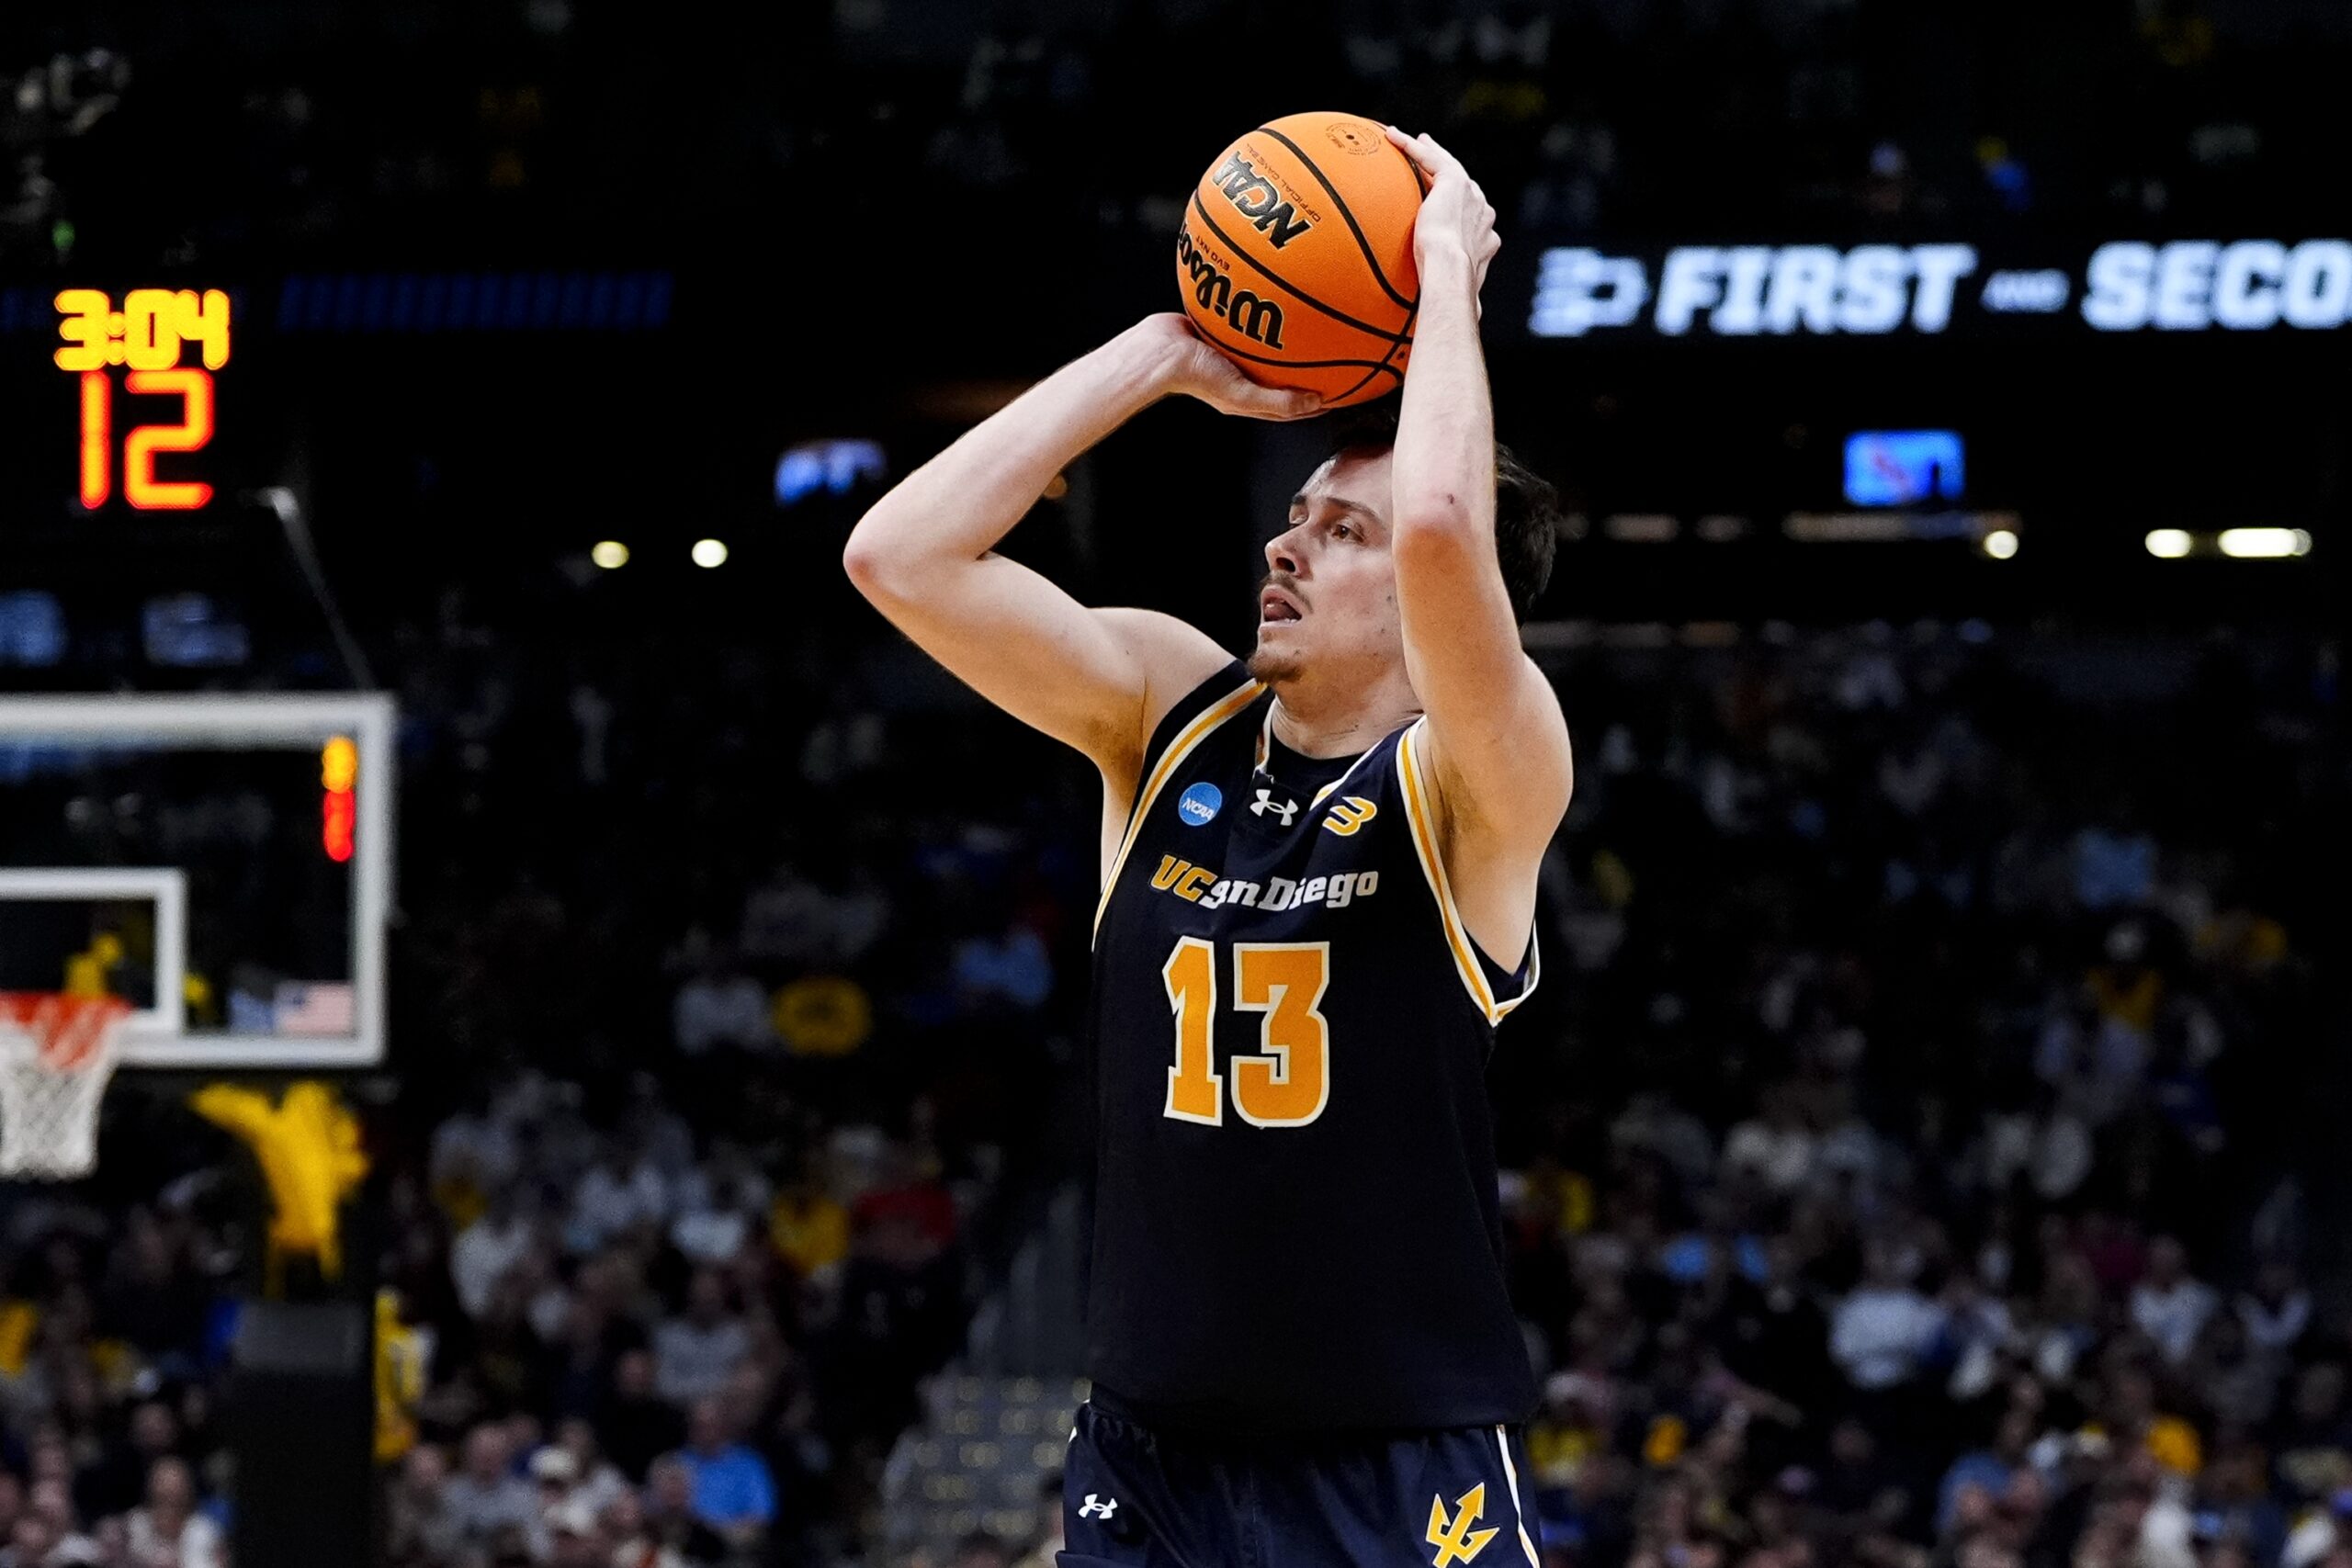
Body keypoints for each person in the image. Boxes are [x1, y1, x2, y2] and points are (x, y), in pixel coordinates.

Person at [846, 126, 1566, 1566]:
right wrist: (1164, 354)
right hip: (1148, 1454)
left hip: (1393, 1462)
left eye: (1338, 532)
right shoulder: (1168, 716)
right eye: (1294, 517)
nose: (1288, 548)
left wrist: (1440, 286)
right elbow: (899, 557)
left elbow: (1437, 522)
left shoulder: (1475, 782)